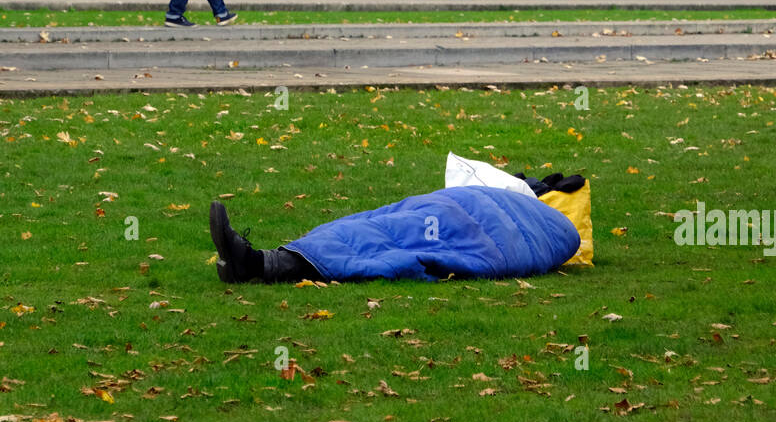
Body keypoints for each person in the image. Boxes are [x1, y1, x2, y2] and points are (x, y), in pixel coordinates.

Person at [208, 171, 591, 285]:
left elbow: (558, 238)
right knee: (369, 225)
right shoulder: (512, 195)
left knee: (384, 243)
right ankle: (267, 260)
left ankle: (260, 264)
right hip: (450, 207)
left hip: (465, 225)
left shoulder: (551, 224)